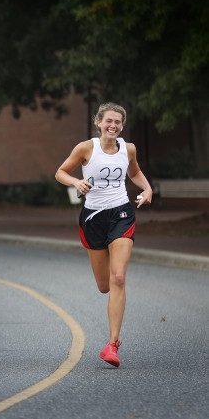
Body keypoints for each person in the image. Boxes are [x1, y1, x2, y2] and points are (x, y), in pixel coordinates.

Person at [55, 103, 152, 368]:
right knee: (104, 285)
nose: (113, 126)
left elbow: (134, 171)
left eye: (118, 122)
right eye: (109, 121)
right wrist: (76, 182)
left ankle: (113, 344)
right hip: (93, 218)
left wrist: (147, 188)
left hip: (121, 213)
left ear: (122, 125)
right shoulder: (87, 148)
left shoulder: (128, 148)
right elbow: (60, 172)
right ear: (99, 122)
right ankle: (111, 311)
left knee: (118, 278)